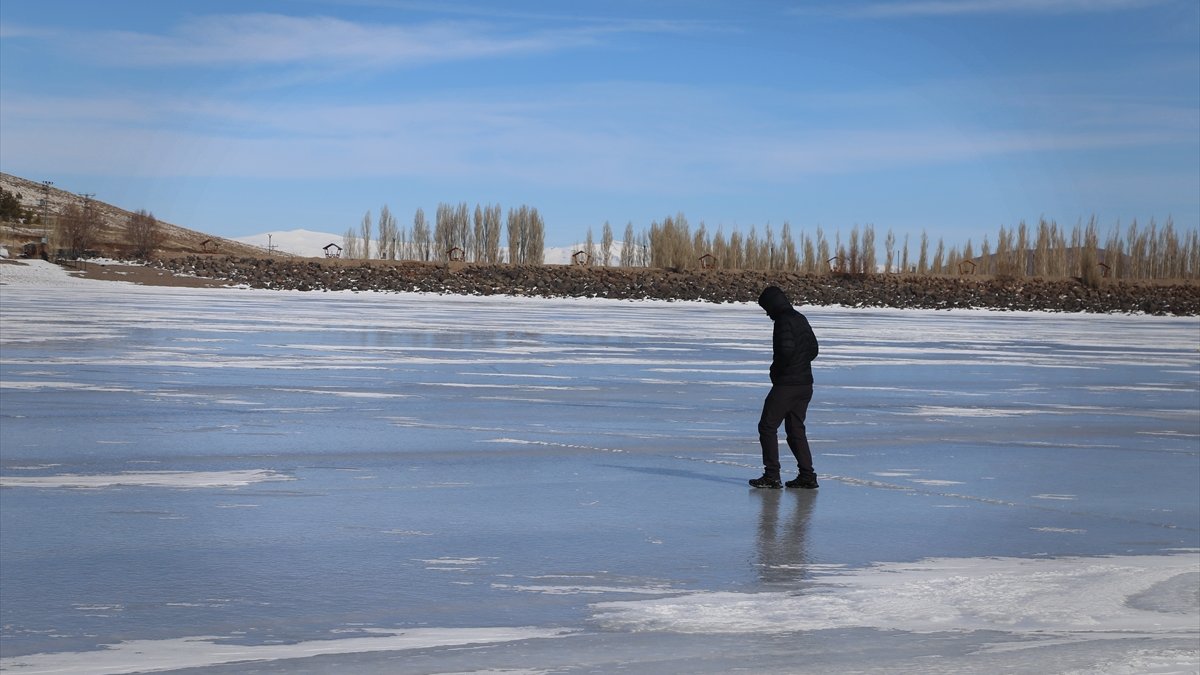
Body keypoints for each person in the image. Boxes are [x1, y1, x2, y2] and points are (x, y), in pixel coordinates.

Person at [750, 286, 820, 490]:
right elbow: (814, 349)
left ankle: (771, 475)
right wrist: (800, 365)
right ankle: (807, 475)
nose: (767, 313)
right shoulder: (800, 317)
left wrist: (776, 371)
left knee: (767, 426)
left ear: (772, 304)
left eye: (766, 308)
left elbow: (785, 352)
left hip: (787, 385)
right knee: (796, 430)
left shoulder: (782, 321)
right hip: (805, 384)